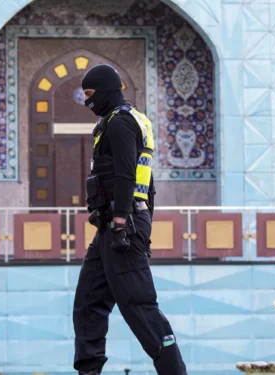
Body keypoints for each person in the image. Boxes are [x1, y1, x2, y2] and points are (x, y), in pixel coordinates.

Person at [72, 64, 187, 375]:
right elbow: (147, 186)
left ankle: (175, 372)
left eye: (91, 94)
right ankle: (89, 370)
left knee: (138, 305)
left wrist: (123, 223)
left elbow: (126, 175)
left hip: (120, 223)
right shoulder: (131, 119)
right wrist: (140, 223)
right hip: (115, 223)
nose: (87, 102)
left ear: (107, 89)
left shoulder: (121, 122)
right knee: (88, 301)